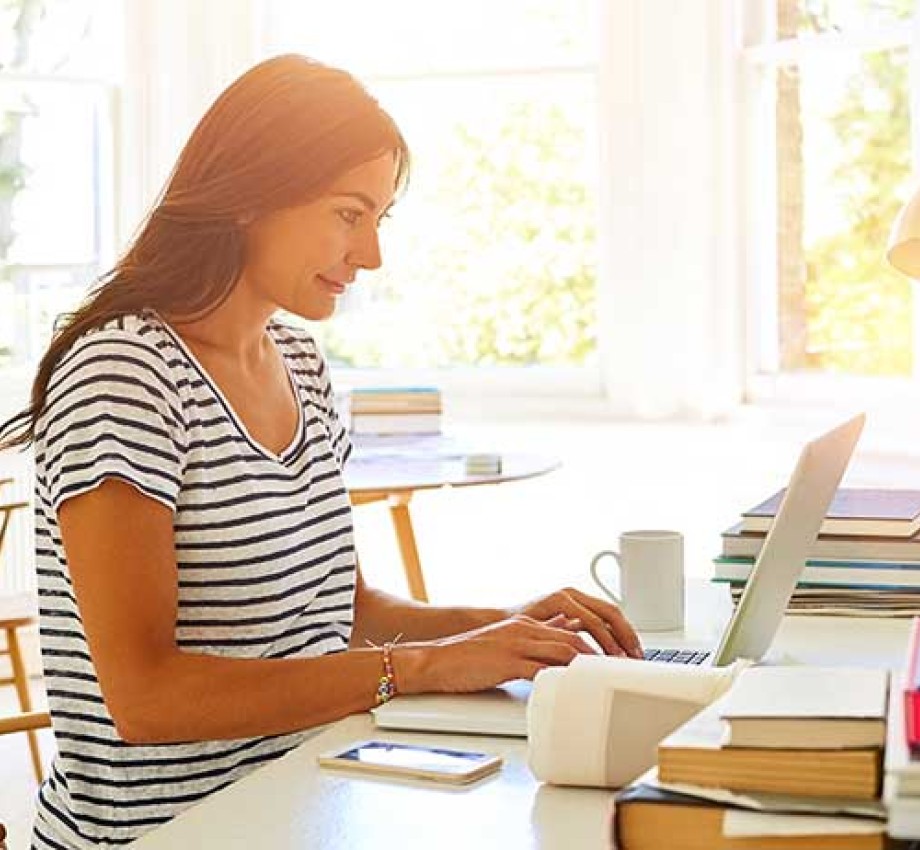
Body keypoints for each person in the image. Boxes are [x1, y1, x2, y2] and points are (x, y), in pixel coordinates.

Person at [0, 54, 641, 849]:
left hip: (309, 794)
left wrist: (507, 631)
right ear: (248, 198)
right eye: (349, 214)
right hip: (171, 833)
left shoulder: (297, 361)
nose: (370, 255)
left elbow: (345, 612)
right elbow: (148, 699)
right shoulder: (125, 374)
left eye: (380, 220)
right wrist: (432, 665)